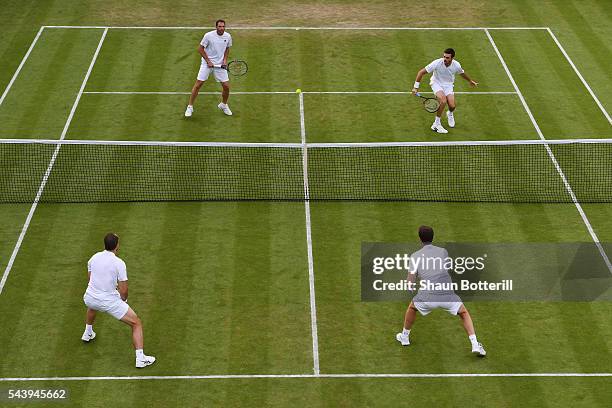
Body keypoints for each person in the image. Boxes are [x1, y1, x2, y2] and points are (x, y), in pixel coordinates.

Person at [396, 226, 486, 356]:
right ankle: (475, 344)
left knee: (412, 308)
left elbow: (410, 282)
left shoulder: (415, 256)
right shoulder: (443, 252)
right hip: (447, 295)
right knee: (464, 312)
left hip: (427, 297)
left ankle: (404, 337)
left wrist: (410, 287)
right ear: (433, 237)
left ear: (420, 238)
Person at [81, 233, 156, 368]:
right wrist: (123, 300)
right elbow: (124, 290)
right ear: (117, 246)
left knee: (93, 306)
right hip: (108, 301)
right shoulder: (119, 263)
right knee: (136, 323)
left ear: (104, 245)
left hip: (89, 297)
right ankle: (140, 358)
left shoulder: (94, 258)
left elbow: (90, 279)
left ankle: (87, 333)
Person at [411, 48, 478, 134]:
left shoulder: (456, 65)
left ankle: (449, 113)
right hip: (436, 83)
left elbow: (462, 73)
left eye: (447, 58)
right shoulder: (437, 63)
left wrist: (470, 81)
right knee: (443, 100)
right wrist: (415, 87)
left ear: (452, 58)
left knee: (452, 106)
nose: (445, 59)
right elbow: (421, 72)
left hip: (448, 85)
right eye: (444, 57)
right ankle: (436, 124)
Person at [185, 19, 233, 117]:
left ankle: (223, 105)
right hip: (206, 64)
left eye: (223, 26)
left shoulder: (228, 36)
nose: (222, 28)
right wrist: (208, 61)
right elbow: (200, 49)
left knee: (226, 86)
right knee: (198, 84)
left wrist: (224, 60)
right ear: (216, 27)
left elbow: (227, 48)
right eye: (220, 26)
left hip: (220, 65)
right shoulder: (208, 36)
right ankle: (190, 107)